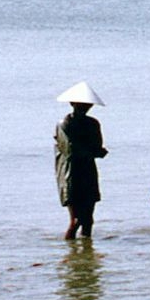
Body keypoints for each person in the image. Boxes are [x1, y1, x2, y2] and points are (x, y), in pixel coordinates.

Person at [54, 82, 108, 240]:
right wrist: (95, 152)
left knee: (88, 220)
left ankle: (85, 250)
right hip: (70, 174)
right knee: (77, 220)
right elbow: (70, 150)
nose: (85, 107)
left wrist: (96, 151)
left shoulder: (93, 123)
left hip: (88, 172)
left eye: (88, 104)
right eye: (81, 104)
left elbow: (97, 146)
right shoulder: (64, 124)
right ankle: (70, 250)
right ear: (72, 104)